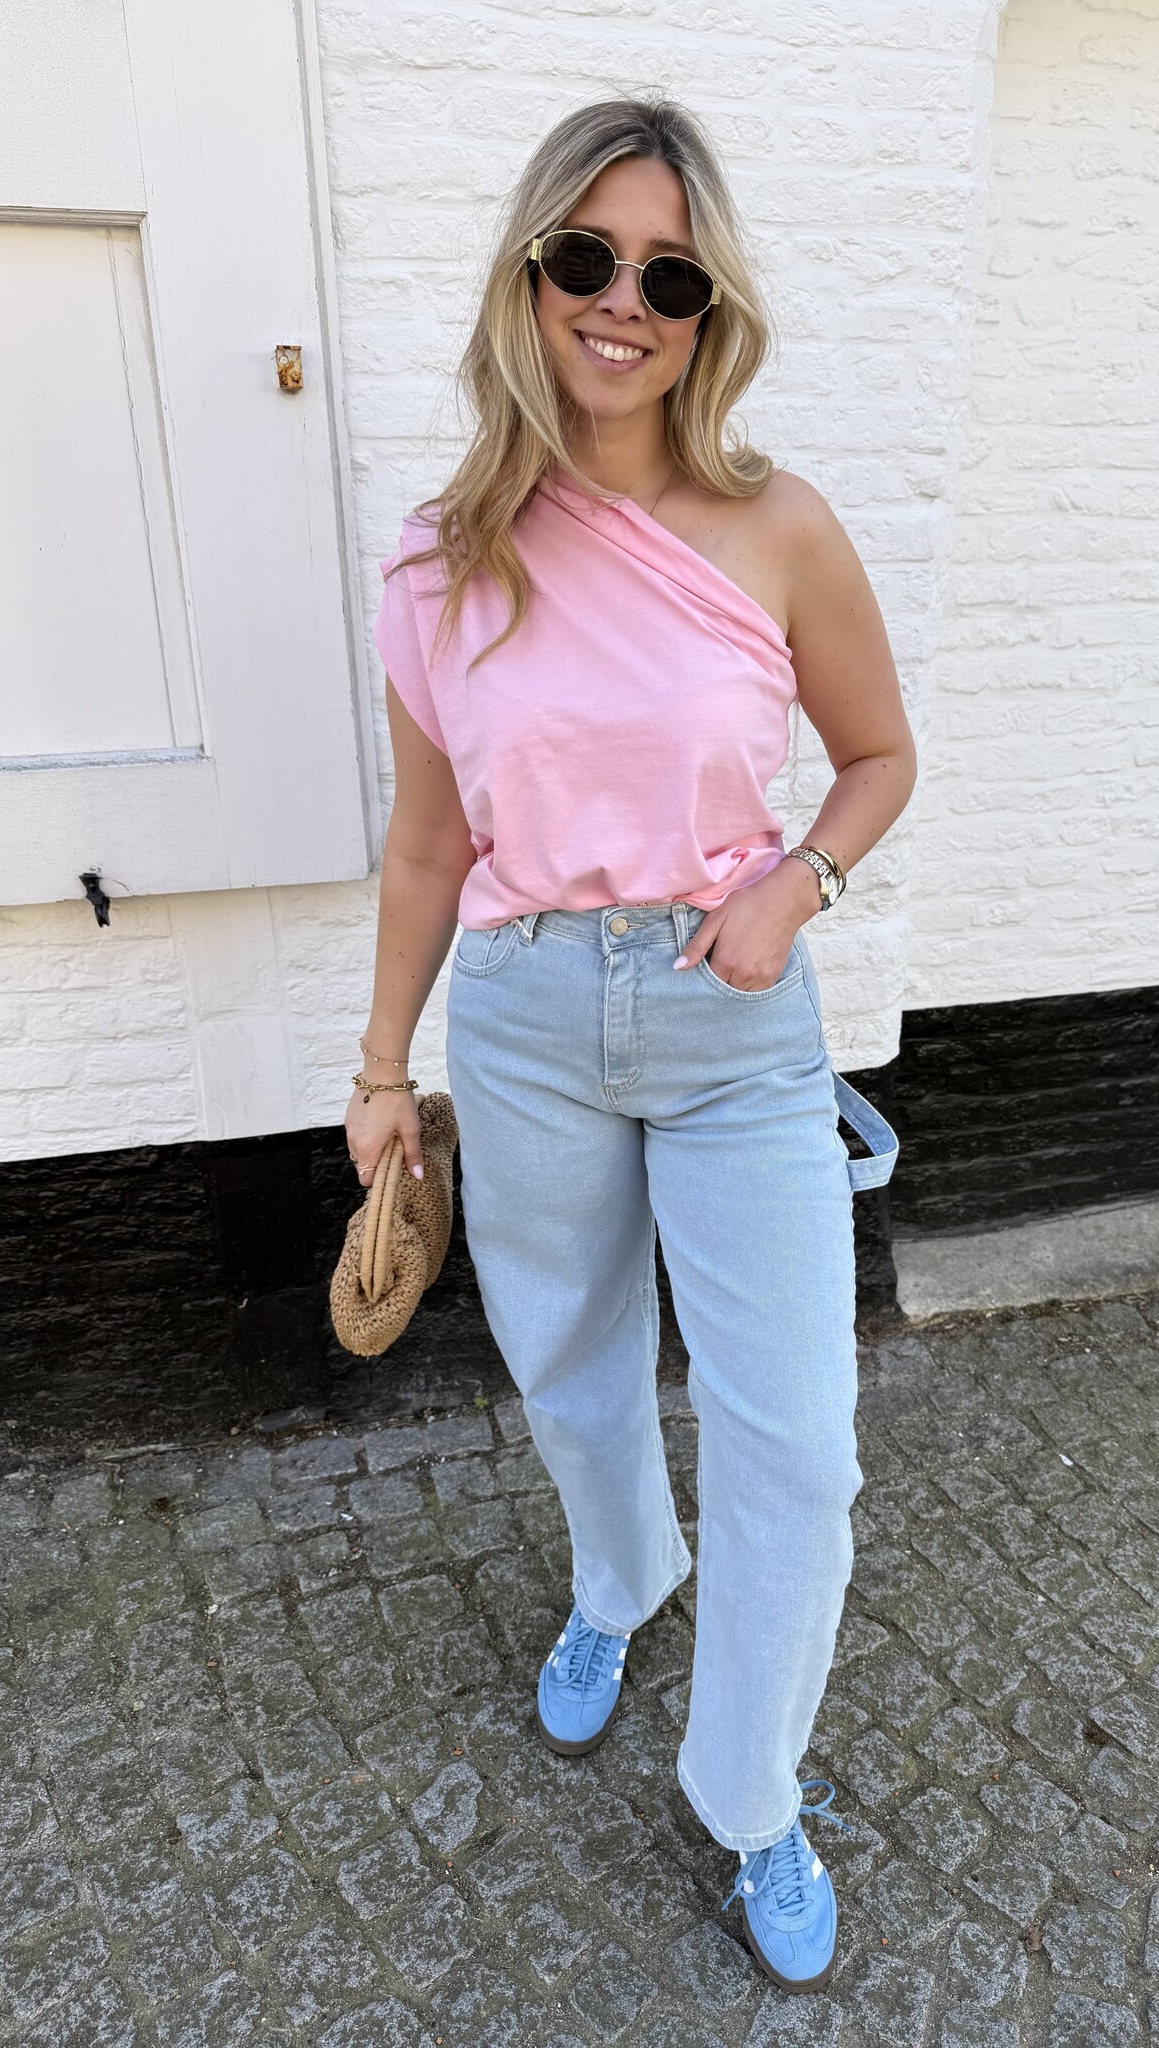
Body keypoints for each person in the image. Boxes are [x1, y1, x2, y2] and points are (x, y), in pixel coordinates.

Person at [347, 95, 915, 1994]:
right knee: (573, 1369)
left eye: (669, 276)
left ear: (707, 310)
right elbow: (429, 845)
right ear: (530, 274)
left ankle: (752, 1793)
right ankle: (621, 1580)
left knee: (799, 1445)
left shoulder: (778, 525)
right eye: (587, 256)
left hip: (732, 1018)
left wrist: (799, 888)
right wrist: (379, 1070)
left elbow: (879, 757)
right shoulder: (441, 562)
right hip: (522, 1016)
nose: (623, 302)